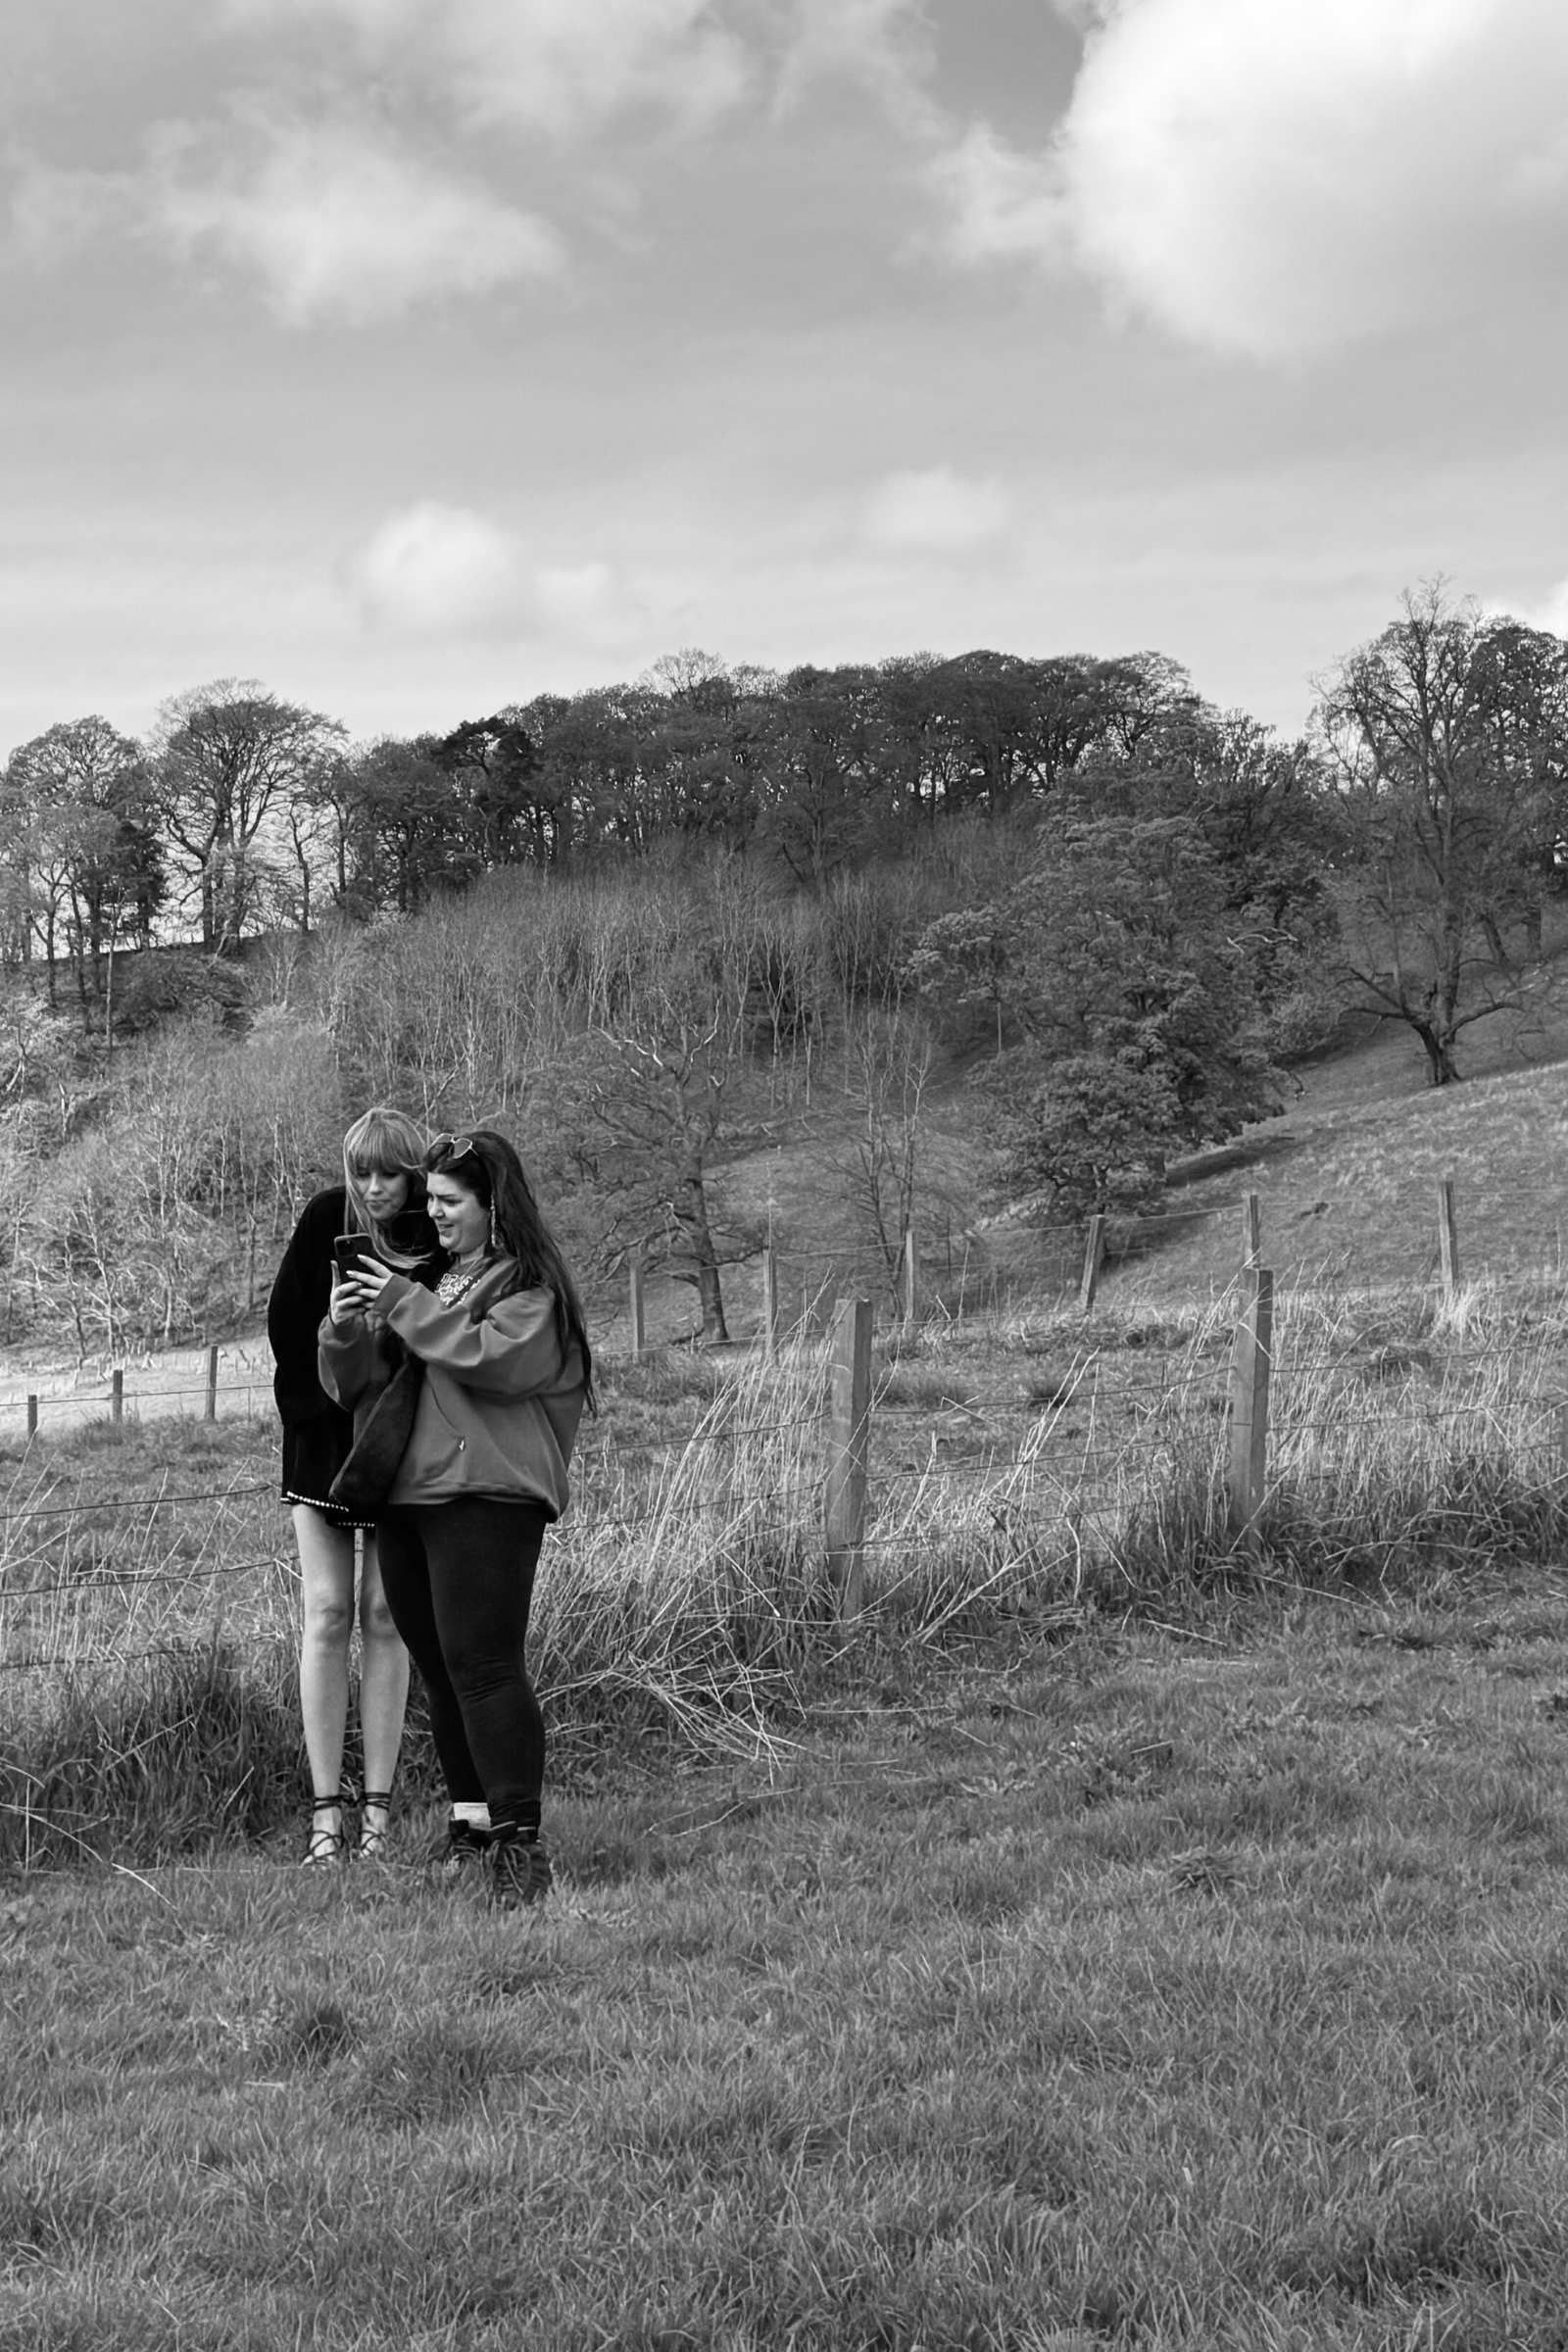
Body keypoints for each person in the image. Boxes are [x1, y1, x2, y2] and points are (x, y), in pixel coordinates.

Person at [319, 1128, 594, 1908]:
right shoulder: (436, 1280)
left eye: (448, 1201)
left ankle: (521, 1848)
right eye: (430, 1199)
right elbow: (358, 1386)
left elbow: (495, 1361)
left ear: (492, 1206)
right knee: (440, 1675)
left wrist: (401, 1302)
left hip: (484, 1493)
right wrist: (346, 1325)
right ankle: (472, 1830)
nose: (431, 1213)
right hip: (407, 1496)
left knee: (484, 1667)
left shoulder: (530, 1291)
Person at [267, 1107, 437, 1863]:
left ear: (416, 1174)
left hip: (402, 1444)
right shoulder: (321, 1222)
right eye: (362, 1171)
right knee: (329, 1613)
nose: (374, 1187)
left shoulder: (437, 1233)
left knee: (386, 1616)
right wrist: (330, 1334)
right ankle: (324, 1815)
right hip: (322, 1445)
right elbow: (284, 1332)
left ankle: (378, 1815)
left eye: (391, 1173)